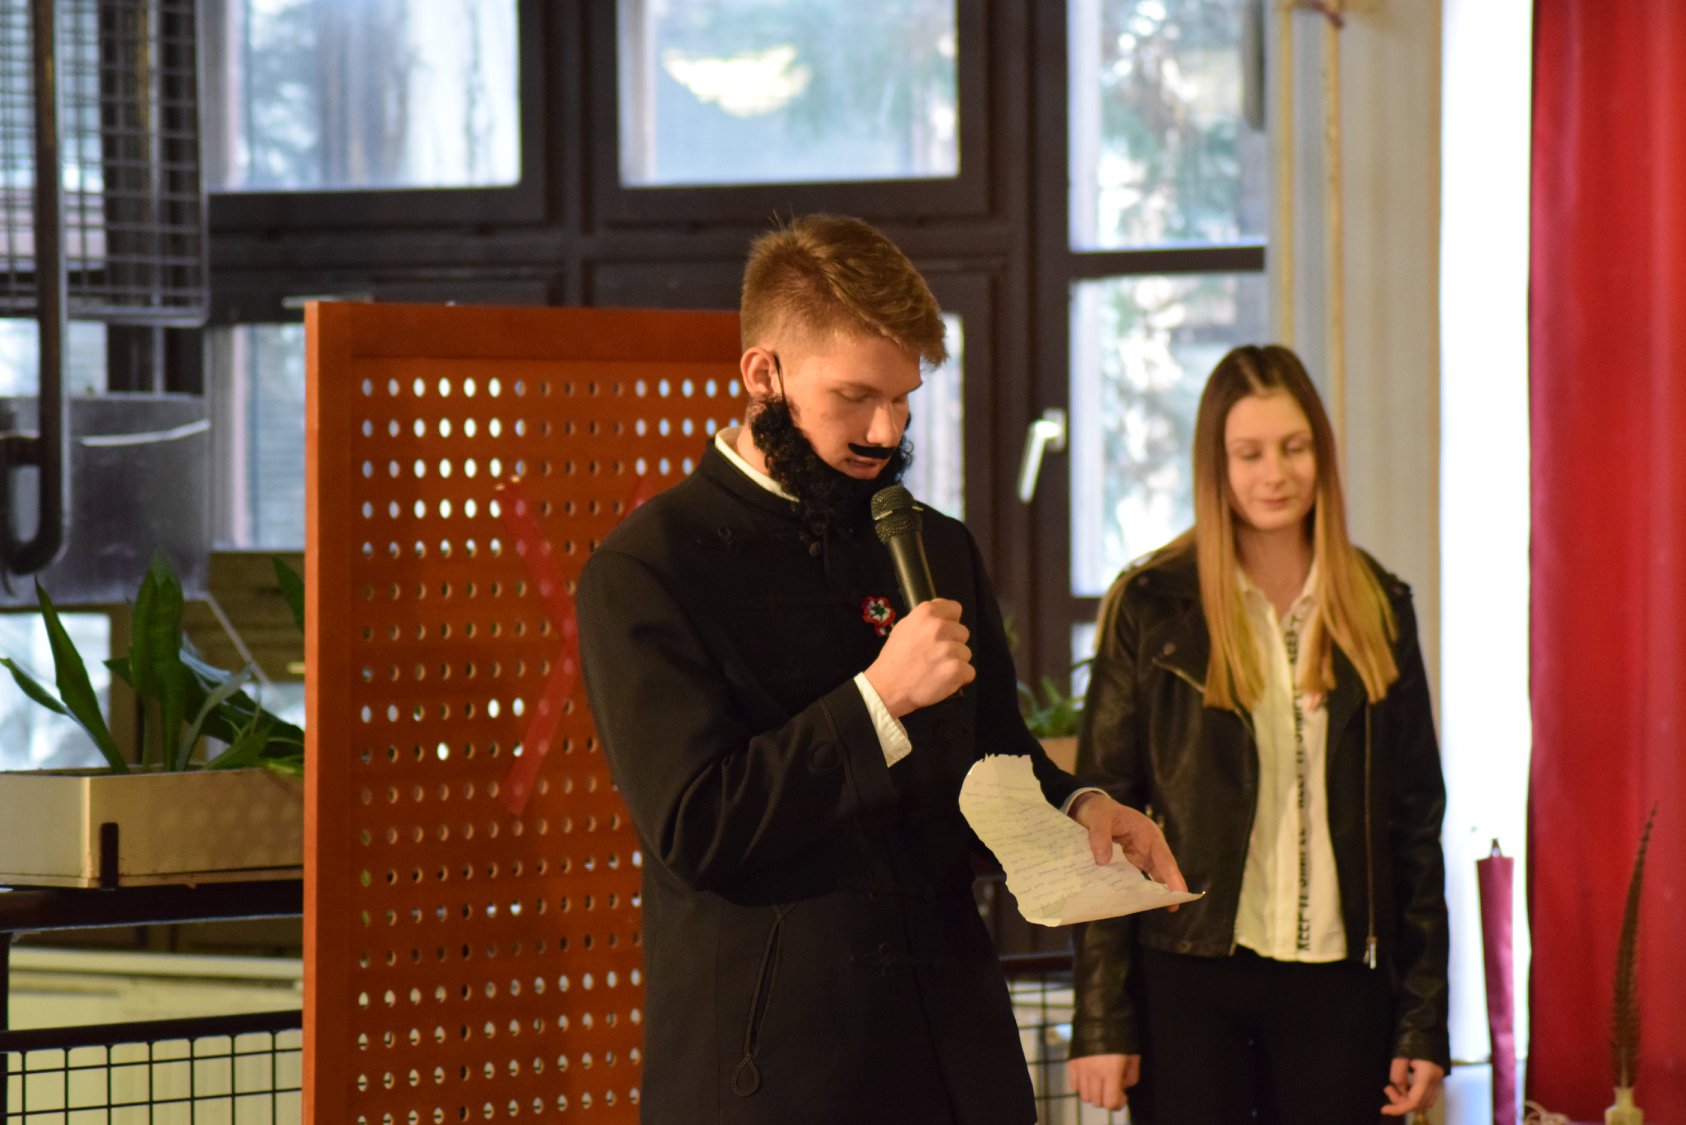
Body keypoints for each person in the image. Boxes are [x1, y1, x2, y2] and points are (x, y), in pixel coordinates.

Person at [576, 213, 1185, 1125]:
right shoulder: (648, 568)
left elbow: (993, 760)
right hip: (776, 1075)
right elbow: (697, 826)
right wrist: (878, 700)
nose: (884, 431)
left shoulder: (934, 544)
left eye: (905, 398)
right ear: (763, 374)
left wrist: (1077, 809)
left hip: (955, 1057)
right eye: (855, 396)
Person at [1065, 344, 1449, 1123]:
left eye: (1294, 447)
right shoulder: (1151, 605)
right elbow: (1102, 816)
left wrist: (1423, 1018)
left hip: (1343, 985)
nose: (1275, 473)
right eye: (1249, 453)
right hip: (1187, 978)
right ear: (1217, 464)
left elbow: (1415, 825)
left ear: (1321, 454)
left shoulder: (1380, 605)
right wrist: (1101, 1016)